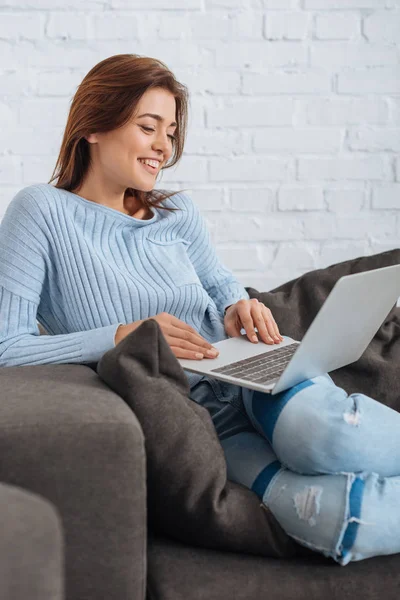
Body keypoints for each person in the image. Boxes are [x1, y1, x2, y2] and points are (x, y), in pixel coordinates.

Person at [1, 53, 399, 566]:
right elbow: (8, 346)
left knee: (315, 435)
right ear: (94, 126)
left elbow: (219, 283)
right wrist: (123, 335)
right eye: (149, 128)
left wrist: (239, 304)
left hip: (252, 376)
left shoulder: (177, 212)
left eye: (170, 131)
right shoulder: (40, 212)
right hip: (200, 417)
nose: (164, 147)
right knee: (330, 519)